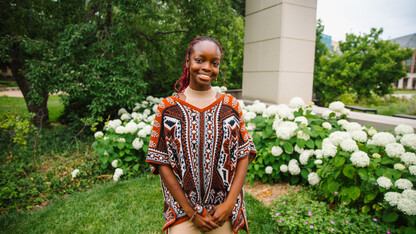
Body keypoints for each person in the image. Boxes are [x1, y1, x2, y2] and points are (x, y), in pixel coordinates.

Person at [146, 36, 256, 234]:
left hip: (222, 212)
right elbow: (161, 161)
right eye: (199, 60)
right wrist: (192, 213)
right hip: (182, 212)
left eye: (214, 63)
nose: (207, 67)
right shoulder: (168, 108)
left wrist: (229, 205)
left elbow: (243, 154)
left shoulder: (231, 106)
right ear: (187, 62)